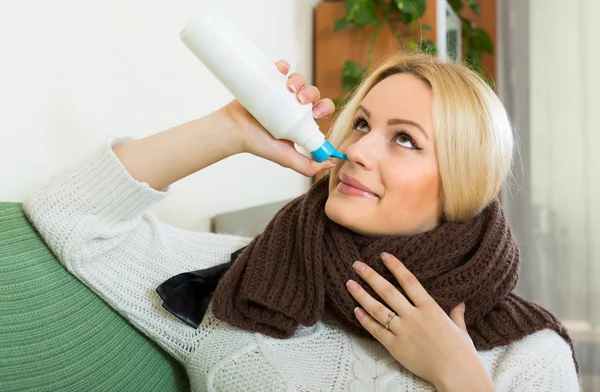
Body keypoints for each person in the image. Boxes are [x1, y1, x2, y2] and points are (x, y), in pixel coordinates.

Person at [24, 53, 580, 392]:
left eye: (404, 139)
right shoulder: (241, 284)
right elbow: (67, 215)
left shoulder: (525, 354)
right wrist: (230, 129)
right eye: (360, 123)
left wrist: (460, 377)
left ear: (462, 183)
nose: (359, 150)